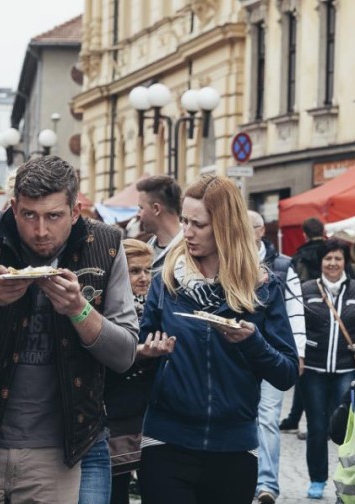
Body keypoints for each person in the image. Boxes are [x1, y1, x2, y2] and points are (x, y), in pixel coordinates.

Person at [0, 156, 139, 503]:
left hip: (57, 453)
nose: (40, 231)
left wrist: (79, 310)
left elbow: (125, 354)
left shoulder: (105, 246)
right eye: (29, 216)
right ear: (12, 208)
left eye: (54, 216)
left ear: (75, 210)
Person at [137, 175, 299, 504]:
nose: (186, 232)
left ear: (224, 227)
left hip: (234, 449)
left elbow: (287, 373)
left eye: (198, 224)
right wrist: (146, 352)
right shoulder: (166, 282)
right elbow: (137, 350)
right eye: (184, 220)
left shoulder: (262, 287)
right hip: (167, 442)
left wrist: (253, 342)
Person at [300, 238, 355, 499]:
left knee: (346, 427)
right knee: (317, 427)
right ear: (320, 262)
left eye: (337, 258)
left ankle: (346, 478)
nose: (332, 263)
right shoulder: (306, 289)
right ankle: (317, 479)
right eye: (328, 258)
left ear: (345, 261)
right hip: (313, 369)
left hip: (347, 370)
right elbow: (297, 330)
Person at [248, 211, 306, 504]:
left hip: (272, 353)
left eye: (250, 227)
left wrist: (299, 352)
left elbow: (296, 312)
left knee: (268, 417)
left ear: (261, 231)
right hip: (243, 355)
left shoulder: (282, 265)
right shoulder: (229, 260)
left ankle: (267, 483)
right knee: (246, 415)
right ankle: (245, 476)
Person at [104, 239, 154, 504]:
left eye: (148, 270)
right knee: (116, 490)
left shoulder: (157, 306)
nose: (144, 278)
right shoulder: (109, 308)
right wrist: (140, 352)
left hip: (150, 411)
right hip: (117, 412)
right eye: (135, 271)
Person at [281, 217, 326, 434]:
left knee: (304, 369)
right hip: (332, 319)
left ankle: (294, 417)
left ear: (304, 234)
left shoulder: (298, 258)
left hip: (306, 317)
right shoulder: (333, 253)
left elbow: (294, 294)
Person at [136, 175, 182, 269]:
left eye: (141, 208)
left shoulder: (192, 249)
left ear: (156, 209)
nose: (138, 214)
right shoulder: (146, 249)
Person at [290, 217, 325, 283]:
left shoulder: (298, 257)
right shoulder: (335, 253)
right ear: (323, 232)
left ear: (305, 235)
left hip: (306, 291)